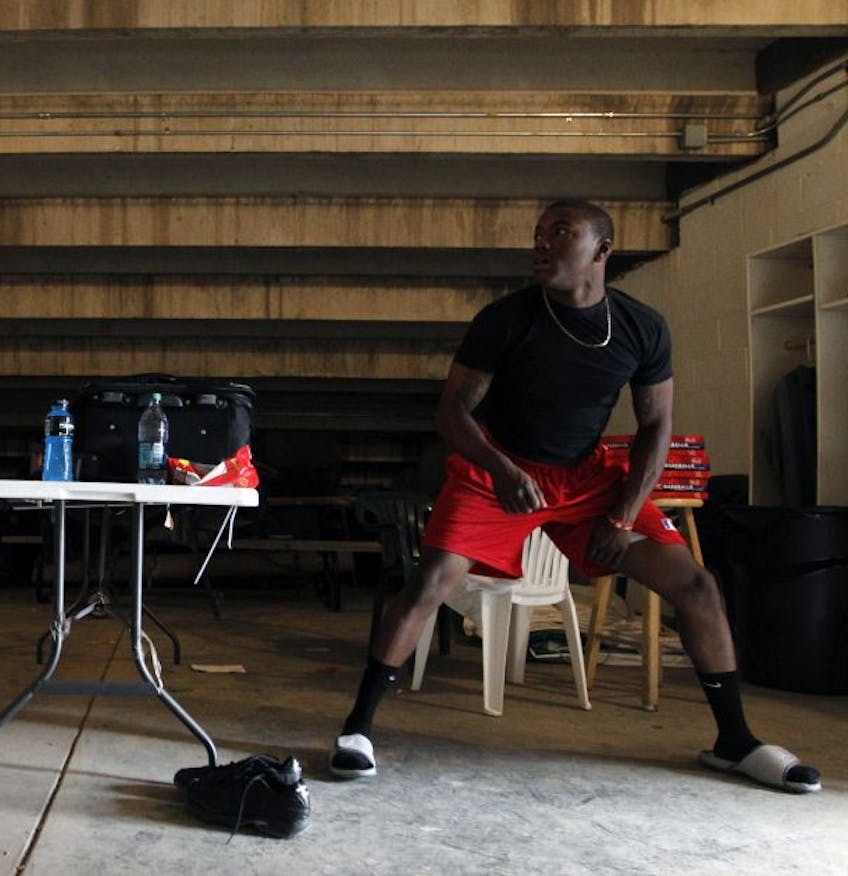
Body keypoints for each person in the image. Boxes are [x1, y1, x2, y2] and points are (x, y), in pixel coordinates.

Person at [330, 200, 821, 794]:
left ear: (602, 250)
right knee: (430, 581)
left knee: (697, 585)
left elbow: (655, 427)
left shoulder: (643, 327)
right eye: (537, 234)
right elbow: (452, 412)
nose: (541, 243)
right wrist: (501, 469)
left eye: (559, 232)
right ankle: (358, 728)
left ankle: (735, 742)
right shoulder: (506, 319)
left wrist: (618, 515)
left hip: (587, 479)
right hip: (498, 469)